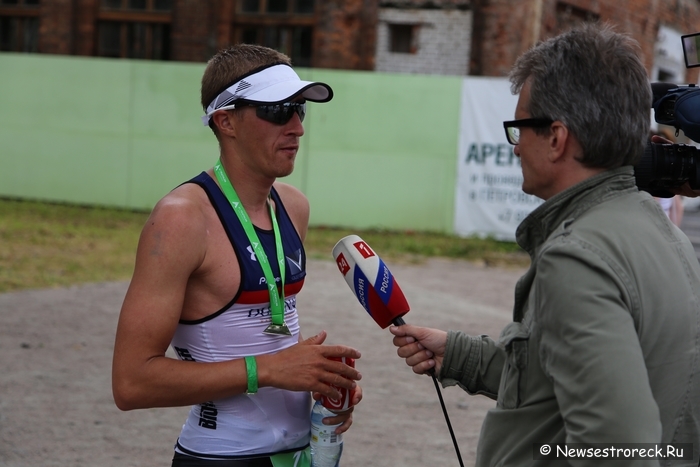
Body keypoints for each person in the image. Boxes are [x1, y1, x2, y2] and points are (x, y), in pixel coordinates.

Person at [391, 23, 700, 466]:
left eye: (520, 129)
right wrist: (459, 355)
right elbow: (564, 381)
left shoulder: (578, 258)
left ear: (555, 138)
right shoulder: (663, 234)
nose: (516, 149)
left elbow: (617, 449)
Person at [112, 44, 362, 467]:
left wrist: (315, 376)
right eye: (279, 111)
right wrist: (268, 370)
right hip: (222, 457)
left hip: (303, 453)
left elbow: (262, 337)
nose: (298, 127)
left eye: (300, 109)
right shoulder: (181, 219)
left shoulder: (294, 205)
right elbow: (131, 382)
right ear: (225, 120)